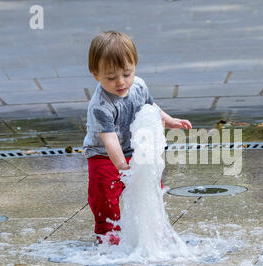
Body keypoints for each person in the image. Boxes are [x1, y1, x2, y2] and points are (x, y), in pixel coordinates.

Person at [82, 31, 192, 245]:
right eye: (111, 77)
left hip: (135, 149)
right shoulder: (100, 105)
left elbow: (150, 107)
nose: (121, 82)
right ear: (96, 74)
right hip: (104, 156)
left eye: (127, 74)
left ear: (135, 67)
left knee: (150, 186)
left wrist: (168, 120)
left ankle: (152, 227)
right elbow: (110, 139)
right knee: (105, 197)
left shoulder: (139, 85)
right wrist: (122, 165)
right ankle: (108, 234)